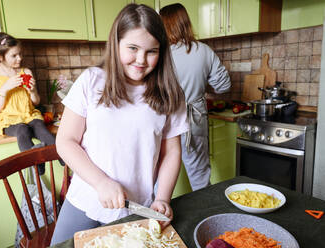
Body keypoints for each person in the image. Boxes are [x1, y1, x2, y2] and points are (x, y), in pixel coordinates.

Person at [51, 3, 189, 245]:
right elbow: (66, 141)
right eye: (133, 48)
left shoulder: (170, 93)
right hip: (84, 201)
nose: (141, 60)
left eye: (152, 51)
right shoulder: (91, 81)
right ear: (116, 44)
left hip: (137, 209)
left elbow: (172, 152)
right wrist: (101, 183)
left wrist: (163, 198)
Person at [160, 3, 231, 191]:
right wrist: (200, 86)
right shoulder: (204, 51)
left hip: (164, 120)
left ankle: (155, 219)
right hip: (195, 118)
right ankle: (206, 218)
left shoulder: (159, 54)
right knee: (200, 176)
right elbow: (224, 86)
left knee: (160, 176)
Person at [0, 32, 56, 174]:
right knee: (22, 129)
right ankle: (35, 164)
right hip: (7, 120)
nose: (19, 58)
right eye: (14, 55)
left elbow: (35, 102)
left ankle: (62, 156)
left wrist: (33, 91)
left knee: (39, 126)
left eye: (20, 54)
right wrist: (5, 88)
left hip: (28, 115)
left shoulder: (25, 71)